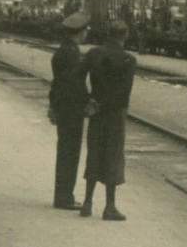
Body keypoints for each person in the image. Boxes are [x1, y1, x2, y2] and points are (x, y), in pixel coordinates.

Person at [80, 19, 137, 221]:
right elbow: (124, 94)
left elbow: (78, 79)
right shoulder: (129, 60)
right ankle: (109, 207)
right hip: (115, 115)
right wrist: (108, 105)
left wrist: (91, 101)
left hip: (96, 113)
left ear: (107, 34)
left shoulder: (93, 54)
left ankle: (87, 203)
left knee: (94, 153)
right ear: (125, 35)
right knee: (113, 156)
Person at [49, 12, 90, 210]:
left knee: (65, 151)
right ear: (79, 33)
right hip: (72, 109)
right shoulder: (72, 54)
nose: (87, 33)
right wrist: (87, 103)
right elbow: (75, 85)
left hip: (64, 107)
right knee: (70, 153)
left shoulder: (63, 50)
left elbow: (56, 83)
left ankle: (63, 195)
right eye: (85, 30)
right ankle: (64, 197)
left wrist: (53, 106)